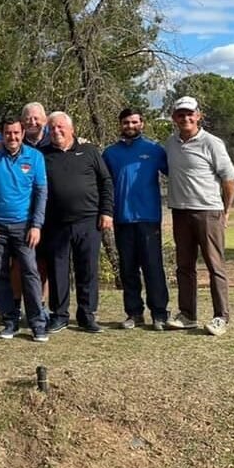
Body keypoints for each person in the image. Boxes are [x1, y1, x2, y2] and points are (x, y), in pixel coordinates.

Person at [164, 96, 234, 336]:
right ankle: (187, 315)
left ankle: (221, 317)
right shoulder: (170, 143)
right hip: (180, 212)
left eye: (190, 114)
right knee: (184, 266)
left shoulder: (212, 143)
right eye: (180, 114)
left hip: (208, 211)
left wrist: (225, 211)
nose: (185, 118)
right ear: (174, 118)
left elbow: (229, 179)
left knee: (215, 266)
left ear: (198, 115)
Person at [0, 117, 49, 342]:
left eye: (16, 133)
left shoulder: (34, 157)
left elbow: (41, 193)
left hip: (24, 226)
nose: (12, 137)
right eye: (8, 133)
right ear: (2, 134)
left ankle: (37, 323)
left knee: (30, 273)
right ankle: (10, 320)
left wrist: (36, 225)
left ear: (22, 133)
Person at [40, 112, 114, 334]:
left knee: (87, 269)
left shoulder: (89, 151)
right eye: (52, 128)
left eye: (61, 127)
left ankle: (87, 315)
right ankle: (59, 315)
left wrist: (107, 212)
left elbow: (106, 181)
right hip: (55, 223)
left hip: (89, 221)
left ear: (72, 129)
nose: (56, 131)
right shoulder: (42, 155)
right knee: (58, 271)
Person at [102, 108, 170, 330]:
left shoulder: (154, 150)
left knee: (153, 267)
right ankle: (134, 313)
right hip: (122, 219)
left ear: (142, 123)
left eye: (133, 122)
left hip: (148, 218)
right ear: (120, 125)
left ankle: (159, 313)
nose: (129, 126)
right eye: (125, 123)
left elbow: (177, 173)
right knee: (128, 268)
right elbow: (104, 185)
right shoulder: (110, 153)